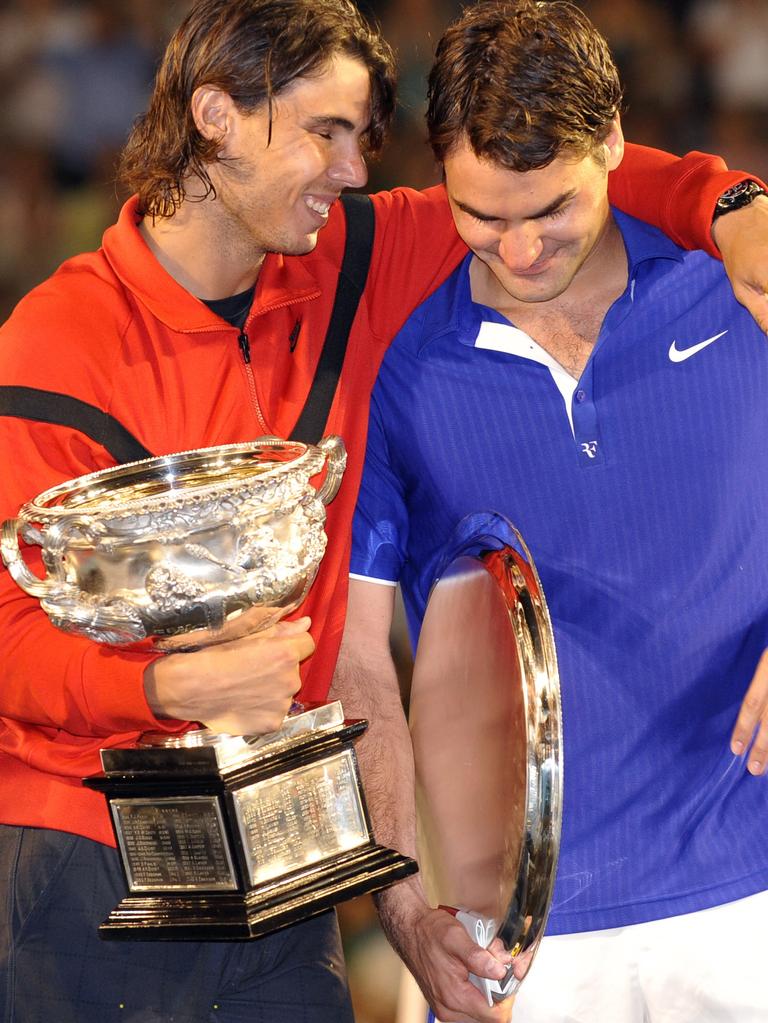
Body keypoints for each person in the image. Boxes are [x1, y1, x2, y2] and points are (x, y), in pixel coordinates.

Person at [0, 0, 764, 1019]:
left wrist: (729, 201)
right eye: (324, 132)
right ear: (218, 115)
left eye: (361, 138)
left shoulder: (356, 260)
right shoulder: (53, 343)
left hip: (293, 880)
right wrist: (171, 686)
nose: (356, 168)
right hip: (88, 868)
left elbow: (563, 174)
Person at [331, 2, 768, 1022]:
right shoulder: (397, 367)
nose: (521, 251)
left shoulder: (738, 287)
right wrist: (400, 915)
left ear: (615, 144)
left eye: (553, 210)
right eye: (482, 216)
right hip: (517, 948)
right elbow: (358, 665)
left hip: (752, 894)